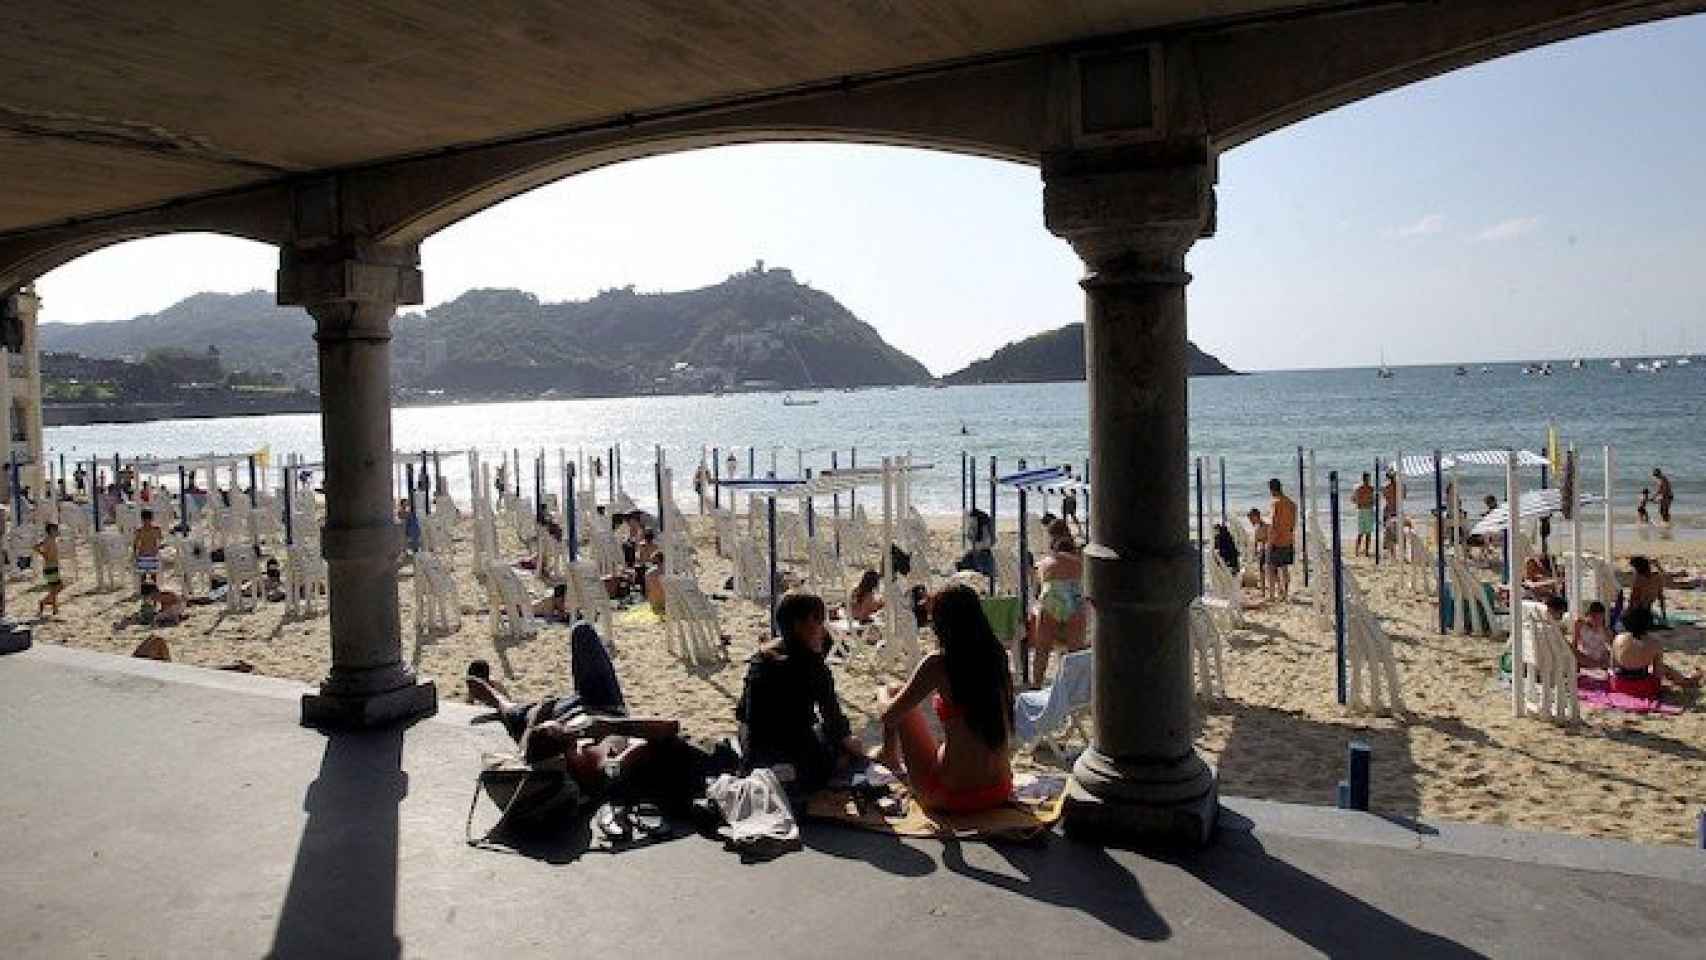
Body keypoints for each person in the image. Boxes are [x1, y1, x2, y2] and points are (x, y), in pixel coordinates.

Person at [467, 623, 718, 815]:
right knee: (582, 630)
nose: (565, 729)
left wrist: (541, 717)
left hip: (559, 710)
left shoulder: (537, 747)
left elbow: (530, 740)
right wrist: (608, 725)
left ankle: (491, 693)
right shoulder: (596, 768)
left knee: (512, 712)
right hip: (602, 704)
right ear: (564, 751)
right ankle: (500, 697)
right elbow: (669, 728)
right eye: (561, 731)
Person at [875, 584, 1014, 815]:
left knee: (891, 693)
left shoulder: (939, 664)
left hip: (953, 797)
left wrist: (881, 693)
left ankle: (888, 755)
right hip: (1000, 789)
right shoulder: (997, 656)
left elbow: (889, 715)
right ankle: (888, 755)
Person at [734, 591, 863, 794]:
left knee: (747, 728)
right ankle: (793, 770)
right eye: (819, 621)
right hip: (795, 743)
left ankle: (770, 768)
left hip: (756, 745)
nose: (823, 628)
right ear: (800, 625)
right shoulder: (813, 666)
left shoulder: (760, 658)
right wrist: (850, 744)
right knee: (837, 748)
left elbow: (742, 712)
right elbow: (833, 718)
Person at [1031, 535, 1087, 684]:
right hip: (1073, 596)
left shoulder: (1045, 562)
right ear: (1073, 549)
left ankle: (1036, 684)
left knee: (1042, 648)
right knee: (1075, 651)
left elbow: (1037, 591)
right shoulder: (1080, 562)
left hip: (1052, 595)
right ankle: (1074, 687)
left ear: (1054, 549)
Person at [1609, 607, 1701, 697]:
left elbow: (1613, 666)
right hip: (1643, 689)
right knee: (1665, 668)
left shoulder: (1618, 638)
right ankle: (1686, 681)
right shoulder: (1654, 643)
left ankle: (1686, 681)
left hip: (1619, 686)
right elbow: (1658, 673)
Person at [1267, 479, 1297, 600]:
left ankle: (1272, 595)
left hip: (1277, 540)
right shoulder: (1291, 503)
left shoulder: (1276, 503)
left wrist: (1270, 541)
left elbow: (1273, 523)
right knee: (1284, 568)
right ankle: (1285, 593)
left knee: (1271, 567)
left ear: (1272, 489)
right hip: (1288, 539)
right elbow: (1292, 525)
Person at [1572, 600, 1613, 670]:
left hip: (1600, 658)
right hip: (1586, 658)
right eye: (1595, 618)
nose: (1597, 621)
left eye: (1600, 618)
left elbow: (1613, 647)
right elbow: (1574, 645)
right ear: (1589, 615)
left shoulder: (1606, 630)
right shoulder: (1580, 624)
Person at [1627, 556, 1668, 623]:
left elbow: (1634, 599)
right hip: (1646, 610)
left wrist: (1628, 612)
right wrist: (1664, 615)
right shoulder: (1658, 578)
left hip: (1639, 612)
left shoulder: (1638, 580)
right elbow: (1661, 598)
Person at [34, 523, 62, 617]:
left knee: (53, 589)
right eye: (55, 530)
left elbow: (37, 546)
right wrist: (43, 553)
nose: (57, 532)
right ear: (51, 531)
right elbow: (45, 554)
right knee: (58, 587)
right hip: (50, 567)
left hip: (53, 566)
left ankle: (55, 609)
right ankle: (43, 602)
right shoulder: (49, 541)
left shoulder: (51, 540)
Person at [133, 508, 163, 589]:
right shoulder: (140, 531)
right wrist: (135, 555)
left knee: (153, 576)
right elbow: (135, 544)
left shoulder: (155, 530)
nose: (147, 521)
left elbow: (160, 541)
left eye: (148, 519)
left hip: (151, 555)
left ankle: (153, 591)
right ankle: (144, 591)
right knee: (143, 576)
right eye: (145, 520)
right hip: (144, 555)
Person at [1247, 508, 1271, 597]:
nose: (1250, 521)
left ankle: (1275, 589)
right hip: (1262, 550)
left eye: (1251, 519)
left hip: (1267, 550)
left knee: (1270, 571)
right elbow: (1256, 541)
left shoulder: (1266, 526)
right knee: (1262, 571)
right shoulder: (1258, 527)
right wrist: (1255, 551)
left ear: (1256, 517)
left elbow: (1268, 539)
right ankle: (1263, 591)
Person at [1353, 473, 1376, 558]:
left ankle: (1358, 551)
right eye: (1368, 479)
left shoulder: (1358, 488)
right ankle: (1365, 551)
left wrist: (1359, 502)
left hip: (1361, 510)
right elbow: (1374, 501)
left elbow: (1353, 499)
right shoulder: (1370, 489)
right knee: (1366, 533)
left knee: (1361, 532)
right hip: (1367, 510)